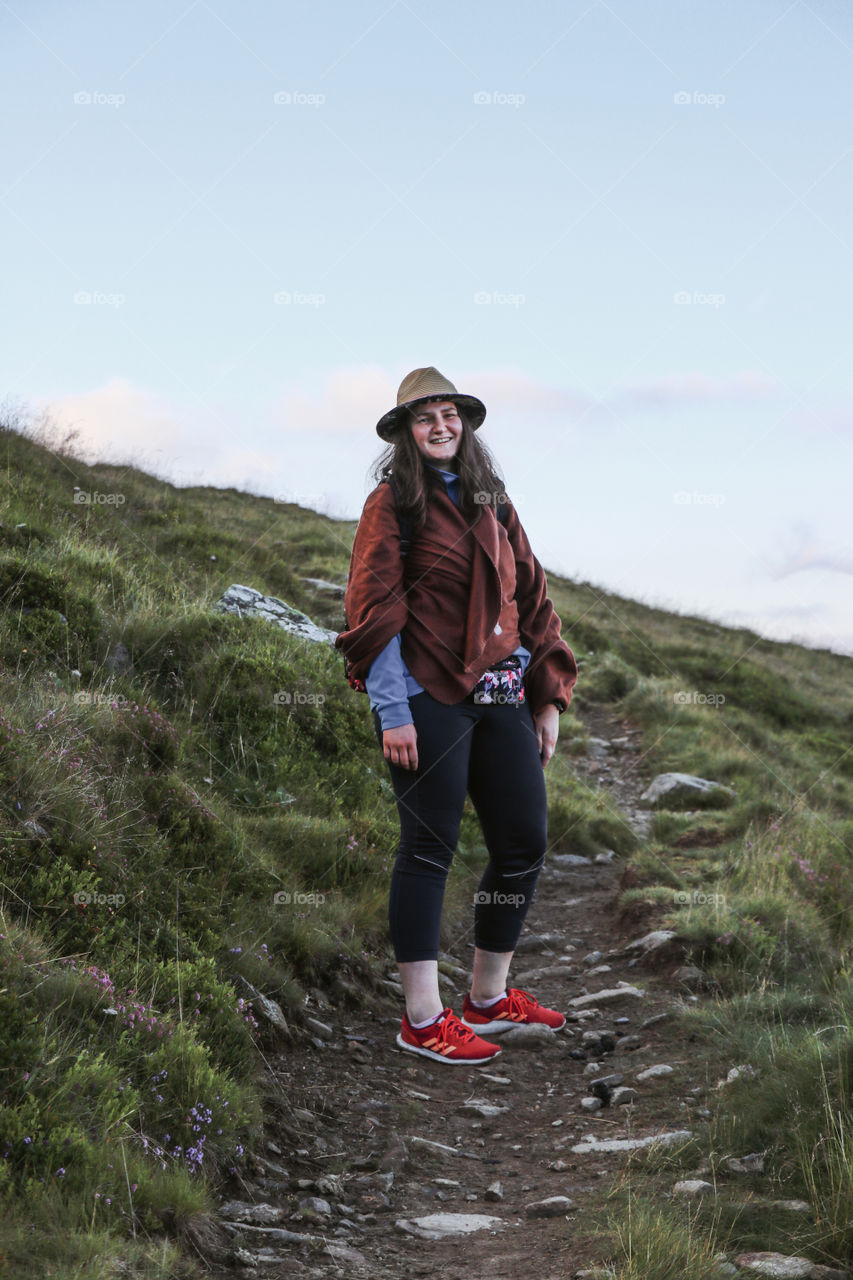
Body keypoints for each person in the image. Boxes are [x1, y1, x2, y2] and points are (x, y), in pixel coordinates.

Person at [335, 367, 578, 1065]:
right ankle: (419, 1017)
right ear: (406, 434)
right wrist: (391, 711)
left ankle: (487, 998)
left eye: (449, 414)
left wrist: (547, 695)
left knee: (522, 841)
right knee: (428, 847)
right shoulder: (392, 504)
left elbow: (530, 598)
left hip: (502, 696)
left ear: (463, 424)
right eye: (424, 418)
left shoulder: (492, 500)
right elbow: (373, 608)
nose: (440, 426)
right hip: (425, 696)